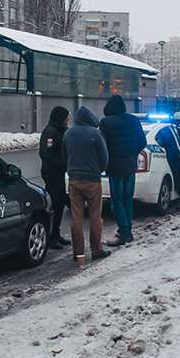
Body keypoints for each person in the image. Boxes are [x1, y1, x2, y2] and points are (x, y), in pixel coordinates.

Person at [62, 106, 111, 263]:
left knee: (76, 217)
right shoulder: (96, 134)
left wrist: (71, 169)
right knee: (95, 216)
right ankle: (96, 250)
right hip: (92, 180)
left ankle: (78, 254)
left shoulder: (68, 133)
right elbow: (104, 158)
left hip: (74, 180)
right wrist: (99, 170)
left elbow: (64, 155)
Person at [99, 95, 147, 246]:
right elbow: (142, 142)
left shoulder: (105, 122)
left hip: (114, 167)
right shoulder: (133, 120)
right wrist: (131, 154)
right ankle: (128, 231)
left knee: (117, 201)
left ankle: (124, 232)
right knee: (127, 199)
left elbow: (102, 146)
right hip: (130, 166)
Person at [38, 106, 71, 250]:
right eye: (66, 117)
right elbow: (46, 153)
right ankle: (51, 236)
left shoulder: (60, 130)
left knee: (60, 203)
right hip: (51, 173)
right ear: (60, 117)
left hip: (59, 173)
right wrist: (63, 163)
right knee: (55, 204)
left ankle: (56, 234)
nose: (68, 119)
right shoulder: (50, 132)